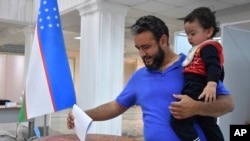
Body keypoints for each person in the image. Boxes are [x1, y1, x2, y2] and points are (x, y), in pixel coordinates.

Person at [67, 15, 234, 141]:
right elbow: (116, 106)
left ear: (163, 41)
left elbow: (228, 104)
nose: (142, 54)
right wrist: (84, 114)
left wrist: (197, 107)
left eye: (146, 47)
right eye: (138, 48)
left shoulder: (193, 66)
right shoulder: (139, 76)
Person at [170, 7, 226, 141]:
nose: (189, 38)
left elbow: (214, 66)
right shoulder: (200, 48)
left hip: (196, 87)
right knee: (207, 122)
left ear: (209, 31)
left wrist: (211, 85)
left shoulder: (208, 47)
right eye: (187, 34)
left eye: (193, 33)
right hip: (199, 88)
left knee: (177, 119)